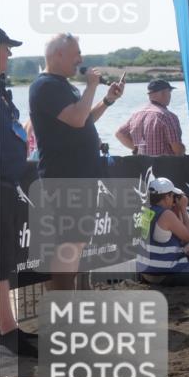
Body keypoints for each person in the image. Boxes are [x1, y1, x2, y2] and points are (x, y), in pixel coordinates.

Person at [29, 33, 125, 289]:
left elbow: (84, 120)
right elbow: (76, 119)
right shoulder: (46, 86)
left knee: (76, 242)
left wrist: (107, 100)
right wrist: (92, 86)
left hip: (81, 175)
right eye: (76, 54)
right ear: (58, 55)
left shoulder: (63, 85)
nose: (81, 59)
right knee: (69, 244)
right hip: (64, 177)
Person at [0, 29, 38, 358]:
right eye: (5, 48)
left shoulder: (3, 91)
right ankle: (8, 331)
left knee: (4, 259)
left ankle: (8, 328)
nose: (9, 55)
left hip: (8, 183)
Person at [115, 79, 185, 156]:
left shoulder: (136, 114)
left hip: (142, 165)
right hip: (164, 166)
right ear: (163, 93)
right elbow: (177, 149)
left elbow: (119, 134)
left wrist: (137, 149)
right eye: (169, 91)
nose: (170, 95)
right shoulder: (167, 116)